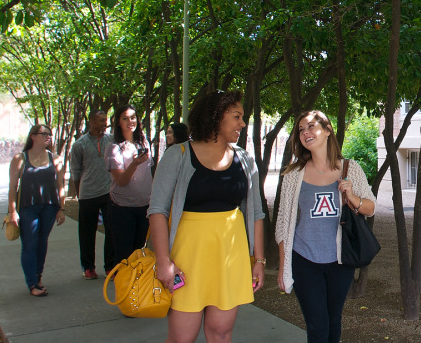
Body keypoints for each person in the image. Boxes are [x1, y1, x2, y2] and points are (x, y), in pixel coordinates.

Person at [148, 90, 266, 343]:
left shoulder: (245, 160)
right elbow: (157, 210)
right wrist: (163, 261)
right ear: (215, 117)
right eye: (237, 116)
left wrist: (259, 260)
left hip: (229, 257)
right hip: (187, 258)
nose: (242, 124)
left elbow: (256, 213)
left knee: (221, 334)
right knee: (182, 338)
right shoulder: (177, 155)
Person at [276, 110, 376, 343]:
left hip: (340, 261)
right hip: (304, 259)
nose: (305, 132)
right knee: (317, 326)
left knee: (333, 321)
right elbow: (283, 223)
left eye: (311, 126)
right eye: (301, 129)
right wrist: (283, 266)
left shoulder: (350, 169)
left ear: (328, 130)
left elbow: (370, 208)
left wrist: (351, 196)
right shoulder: (294, 174)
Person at [7, 124, 67, 297]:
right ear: (33, 136)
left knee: (42, 242)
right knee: (29, 244)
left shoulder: (55, 158)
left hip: (49, 207)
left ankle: (38, 278)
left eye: (49, 134)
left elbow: (60, 186)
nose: (48, 137)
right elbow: (12, 187)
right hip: (27, 207)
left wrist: (61, 208)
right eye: (44, 134)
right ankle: (32, 283)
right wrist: (13, 211)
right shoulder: (20, 158)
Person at [69, 110, 115, 279]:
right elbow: (76, 171)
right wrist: (79, 192)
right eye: (101, 120)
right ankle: (88, 267)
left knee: (111, 230)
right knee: (87, 232)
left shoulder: (111, 140)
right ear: (91, 121)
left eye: (106, 120)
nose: (104, 123)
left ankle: (110, 266)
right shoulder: (79, 145)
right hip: (88, 194)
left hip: (109, 192)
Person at [106, 105, 152, 264]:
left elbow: (149, 173)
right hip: (122, 208)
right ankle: (124, 286)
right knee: (125, 256)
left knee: (139, 253)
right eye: (124, 118)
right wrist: (133, 164)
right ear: (118, 122)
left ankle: (137, 288)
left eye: (133, 117)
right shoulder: (114, 148)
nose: (130, 121)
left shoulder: (144, 142)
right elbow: (121, 181)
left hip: (144, 207)